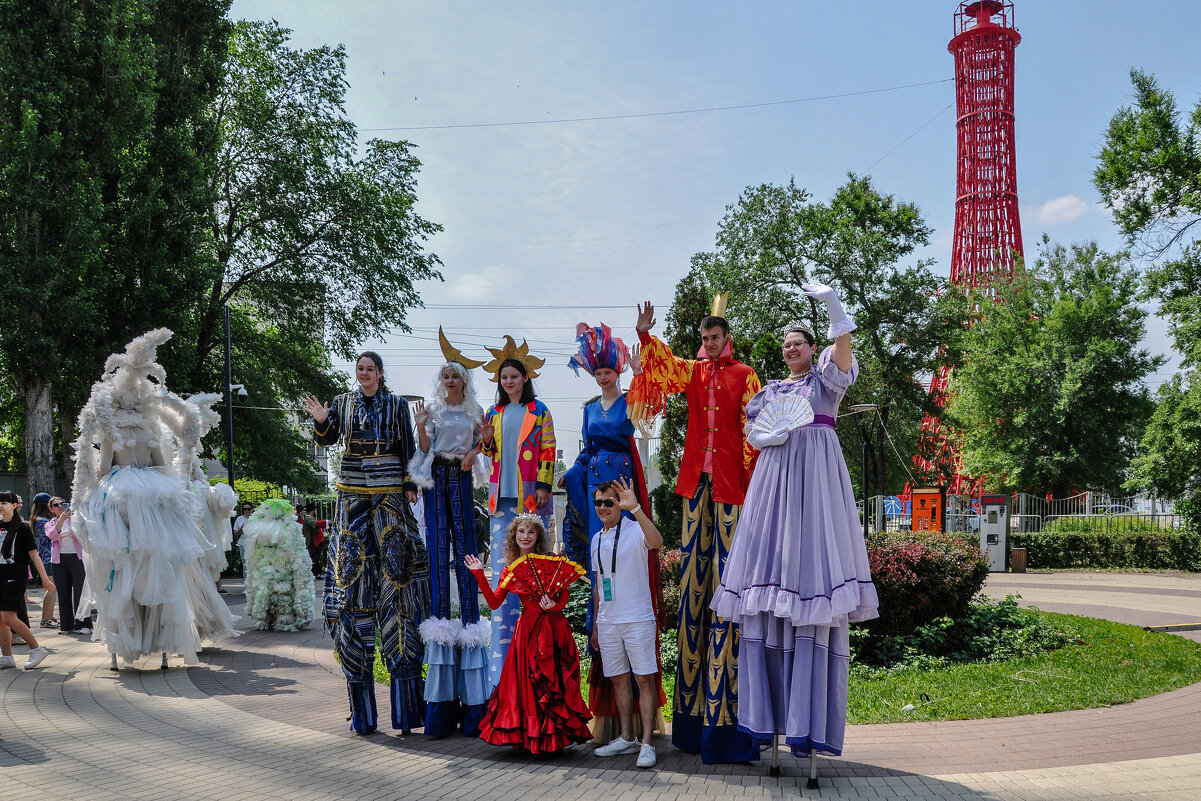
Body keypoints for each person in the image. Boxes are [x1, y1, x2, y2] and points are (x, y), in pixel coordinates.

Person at [712, 288, 879, 760]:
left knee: (810, 576)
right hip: (773, 491)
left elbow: (843, 348)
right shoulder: (770, 394)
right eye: (785, 346)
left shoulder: (826, 383)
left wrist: (832, 306)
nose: (790, 350)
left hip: (815, 486)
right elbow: (752, 433)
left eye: (798, 344)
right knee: (770, 580)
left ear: (813, 349)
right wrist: (768, 433)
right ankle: (772, 721)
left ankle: (808, 721)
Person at [627, 295, 762, 764]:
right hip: (694, 485)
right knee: (694, 587)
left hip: (732, 488)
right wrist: (645, 334)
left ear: (727, 338)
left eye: (713, 338)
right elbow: (661, 367)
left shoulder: (745, 376)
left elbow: (757, 433)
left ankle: (729, 721)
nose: (707, 344)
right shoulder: (694, 371)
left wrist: (759, 485)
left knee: (730, 583)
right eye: (703, 339)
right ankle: (690, 720)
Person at [71, 329, 239, 668]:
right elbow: (164, 467)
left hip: (120, 501)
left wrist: (103, 480)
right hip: (154, 500)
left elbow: (102, 470)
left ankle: (121, 648)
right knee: (163, 571)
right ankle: (163, 647)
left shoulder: (110, 434)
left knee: (119, 569)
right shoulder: (149, 434)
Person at [305, 350, 431, 734]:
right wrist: (322, 422)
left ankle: (407, 714)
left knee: (399, 580)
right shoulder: (343, 403)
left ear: (380, 372)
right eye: (360, 369)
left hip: (390, 495)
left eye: (370, 369)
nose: (364, 374)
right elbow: (327, 439)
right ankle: (363, 718)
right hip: (352, 498)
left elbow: (408, 447)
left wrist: (409, 485)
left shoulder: (395, 405)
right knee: (350, 580)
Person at [558, 322, 666, 743]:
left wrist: (641, 371)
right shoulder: (587, 409)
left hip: (622, 482)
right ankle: (603, 630)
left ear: (616, 372)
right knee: (598, 560)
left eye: (608, 371)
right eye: (598, 372)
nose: (603, 377)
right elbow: (585, 450)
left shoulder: (629, 399)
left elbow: (648, 415)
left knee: (626, 553)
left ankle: (640, 731)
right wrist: (570, 473)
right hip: (592, 485)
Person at [410, 331, 490, 737]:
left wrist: (478, 449)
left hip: (460, 475)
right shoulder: (436, 412)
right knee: (438, 545)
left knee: (466, 548)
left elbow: (483, 444)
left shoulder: (476, 411)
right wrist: (422, 426)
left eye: (454, 376)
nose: (448, 381)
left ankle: (471, 619)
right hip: (438, 473)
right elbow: (424, 448)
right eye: (444, 376)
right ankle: (442, 620)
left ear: (463, 379)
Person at [465, 514, 592, 754]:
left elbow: (563, 599)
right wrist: (480, 574)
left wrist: (552, 606)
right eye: (521, 532)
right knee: (528, 686)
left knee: (554, 683)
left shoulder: (552, 560)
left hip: (555, 628)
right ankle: (530, 738)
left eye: (530, 532)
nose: (525, 536)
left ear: (538, 536)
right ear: (514, 535)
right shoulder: (510, 569)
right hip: (529, 632)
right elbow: (493, 603)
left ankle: (555, 738)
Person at [478, 336, 555, 687]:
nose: (508, 381)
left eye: (514, 376)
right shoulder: (493, 413)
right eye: (503, 377)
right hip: (500, 500)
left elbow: (549, 449)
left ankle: (533, 642)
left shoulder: (539, 411)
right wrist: (487, 440)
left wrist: (543, 485)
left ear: (524, 379)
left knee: (533, 568)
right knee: (503, 573)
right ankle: (501, 668)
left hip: (528, 498)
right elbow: (490, 453)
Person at [589, 478, 664, 769]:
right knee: (618, 679)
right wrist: (596, 624)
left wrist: (638, 510)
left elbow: (657, 542)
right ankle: (627, 738)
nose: (604, 507)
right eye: (599, 502)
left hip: (637, 618)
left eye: (610, 502)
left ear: (619, 504)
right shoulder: (597, 538)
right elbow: (598, 586)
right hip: (608, 622)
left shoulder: (634, 528)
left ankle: (647, 743)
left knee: (644, 680)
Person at [240, 498, 315, 632]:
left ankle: (268, 619)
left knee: (270, 595)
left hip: (268, 575)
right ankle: (281, 621)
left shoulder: (258, 533)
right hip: (280, 574)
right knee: (281, 597)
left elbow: (252, 561)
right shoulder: (290, 531)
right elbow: (300, 560)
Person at [0, 490, 55, 669]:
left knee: (8, 616)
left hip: (16, 578)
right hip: (1, 577)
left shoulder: (22, 527)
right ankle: (7, 657)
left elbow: (34, 555)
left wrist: (45, 580)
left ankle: (37, 649)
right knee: (0, 619)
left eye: (5, 503)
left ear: (14, 505)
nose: (1, 506)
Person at [44, 499, 90, 635]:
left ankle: (84, 624)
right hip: (59, 560)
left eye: (62, 503)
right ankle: (66, 625)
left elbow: (84, 532)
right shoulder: (50, 523)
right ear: (51, 509)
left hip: (77, 558)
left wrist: (74, 516)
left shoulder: (75, 519)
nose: (59, 506)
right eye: (56, 505)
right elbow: (53, 536)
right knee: (63, 592)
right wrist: (61, 520)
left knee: (80, 591)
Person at [27, 492, 58, 628]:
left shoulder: (35, 520)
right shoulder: (42, 521)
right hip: (48, 557)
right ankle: (45, 619)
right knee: (50, 588)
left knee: (52, 588)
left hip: (46, 556)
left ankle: (50, 617)